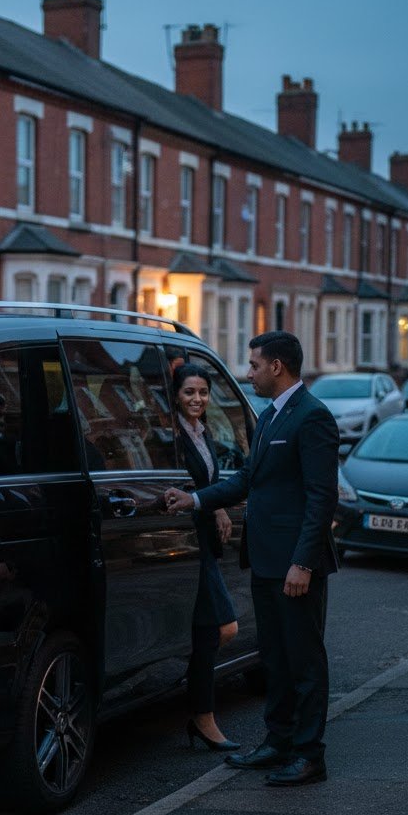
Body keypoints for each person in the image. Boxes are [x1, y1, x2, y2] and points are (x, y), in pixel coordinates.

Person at [164, 331, 339, 787]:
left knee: (304, 661)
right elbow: (247, 479)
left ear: (277, 367)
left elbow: (322, 498)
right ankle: (277, 743)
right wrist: (196, 499)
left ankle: (308, 755)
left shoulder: (313, 417)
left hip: (294, 566)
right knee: (276, 661)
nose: (249, 372)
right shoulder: (269, 417)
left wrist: (303, 563)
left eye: (254, 365)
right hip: (263, 562)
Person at [171, 363, 241, 753]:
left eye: (202, 392)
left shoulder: (203, 432)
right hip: (189, 543)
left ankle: (202, 715)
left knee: (210, 632)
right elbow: (185, 484)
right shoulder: (174, 435)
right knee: (220, 628)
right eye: (188, 393)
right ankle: (201, 713)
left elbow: (209, 482)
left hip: (205, 543)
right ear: (176, 396)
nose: (197, 399)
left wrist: (217, 506)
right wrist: (213, 507)